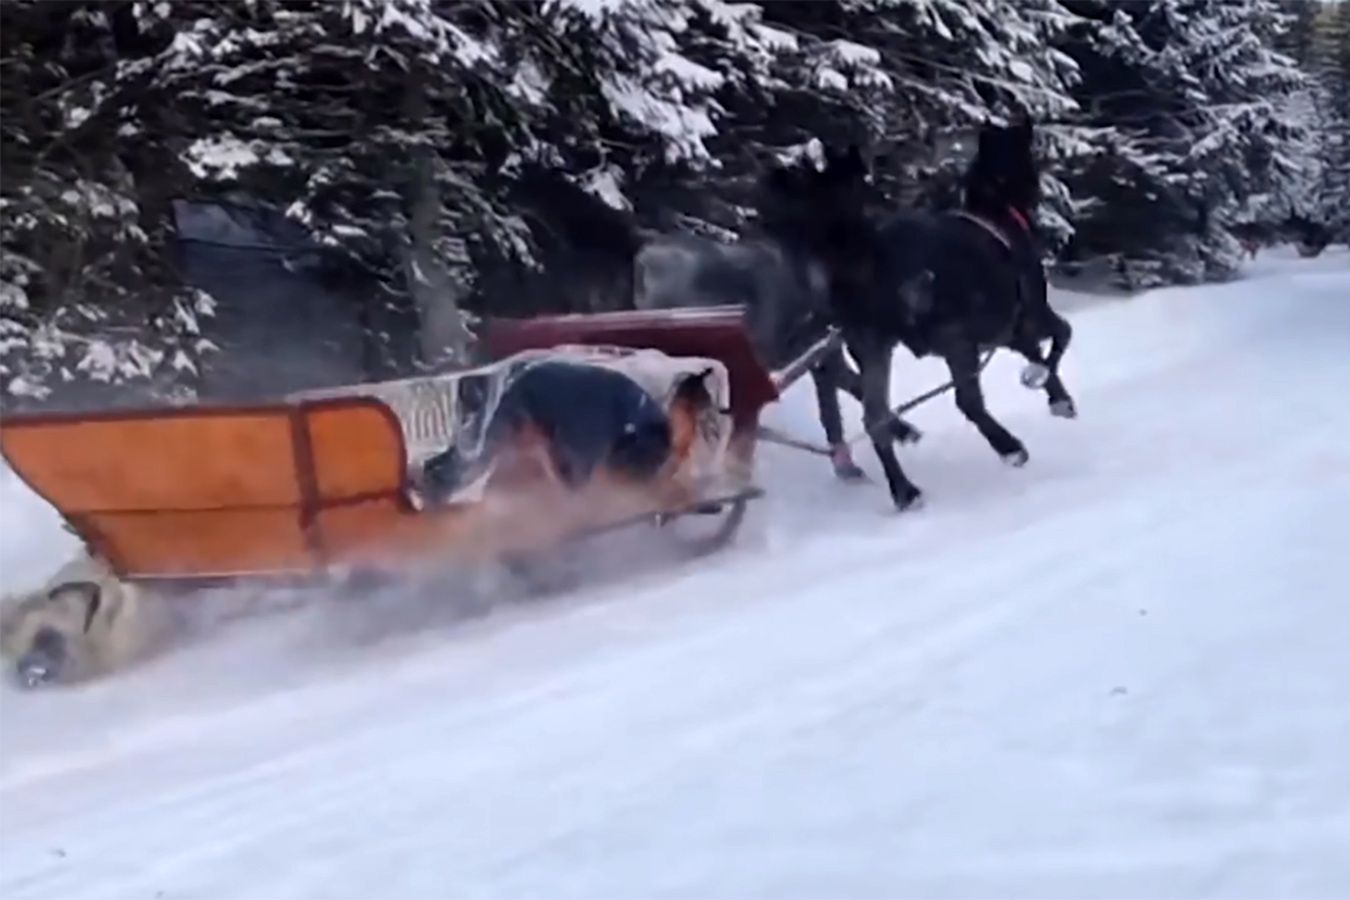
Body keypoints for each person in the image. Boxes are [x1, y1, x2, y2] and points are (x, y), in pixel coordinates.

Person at [419, 360, 715, 505]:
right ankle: (429, 484)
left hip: (551, 392)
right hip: (532, 391)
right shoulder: (611, 423)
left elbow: (607, 470)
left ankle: (437, 481)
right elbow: (586, 478)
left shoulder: (635, 415)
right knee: (484, 452)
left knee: (503, 453)